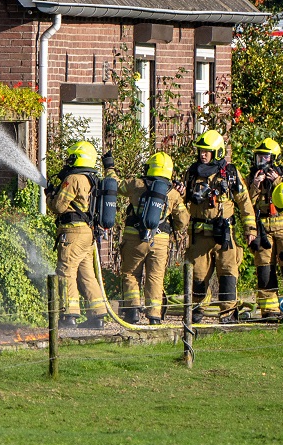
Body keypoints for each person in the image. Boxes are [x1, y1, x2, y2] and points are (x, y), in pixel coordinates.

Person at [184, 128, 255, 322]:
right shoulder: (192, 173)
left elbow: (245, 202)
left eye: (207, 151)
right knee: (198, 276)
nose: (203, 154)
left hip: (225, 236)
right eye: (200, 151)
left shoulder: (230, 173)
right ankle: (197, 311)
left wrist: (251, 229)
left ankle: (228, 314)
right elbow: (182, 201)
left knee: (228, 275)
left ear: (218, 152)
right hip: (199, 236)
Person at [116, 152, 189, 324]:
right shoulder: (172, 193)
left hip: (135, 237)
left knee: (131, 274)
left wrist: (110, 170)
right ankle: (154, 316)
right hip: (160, 240)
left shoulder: (137, 184)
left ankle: (132, 312)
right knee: (155, 277)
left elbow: (117, 187)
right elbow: (183, 221)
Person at [48, 140, 112, 326]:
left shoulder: (73, 179)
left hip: (73, 233)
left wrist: (51, 196)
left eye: (71, 157)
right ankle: (98, 315)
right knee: (86, 274)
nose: (68, 161)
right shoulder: (93, 179)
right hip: (87, 234)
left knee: (65, 271)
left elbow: (59, 207)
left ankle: (69, 315)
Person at [244, 137, 283, 318]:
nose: (261, 161)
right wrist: (255, 185)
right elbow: (247, 203)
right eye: (259, 157)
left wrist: (278, 181)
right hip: (263, 228)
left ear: (274, 158)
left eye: (265, 157)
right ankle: (270, 311)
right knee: (264, 271)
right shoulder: (252, 176)